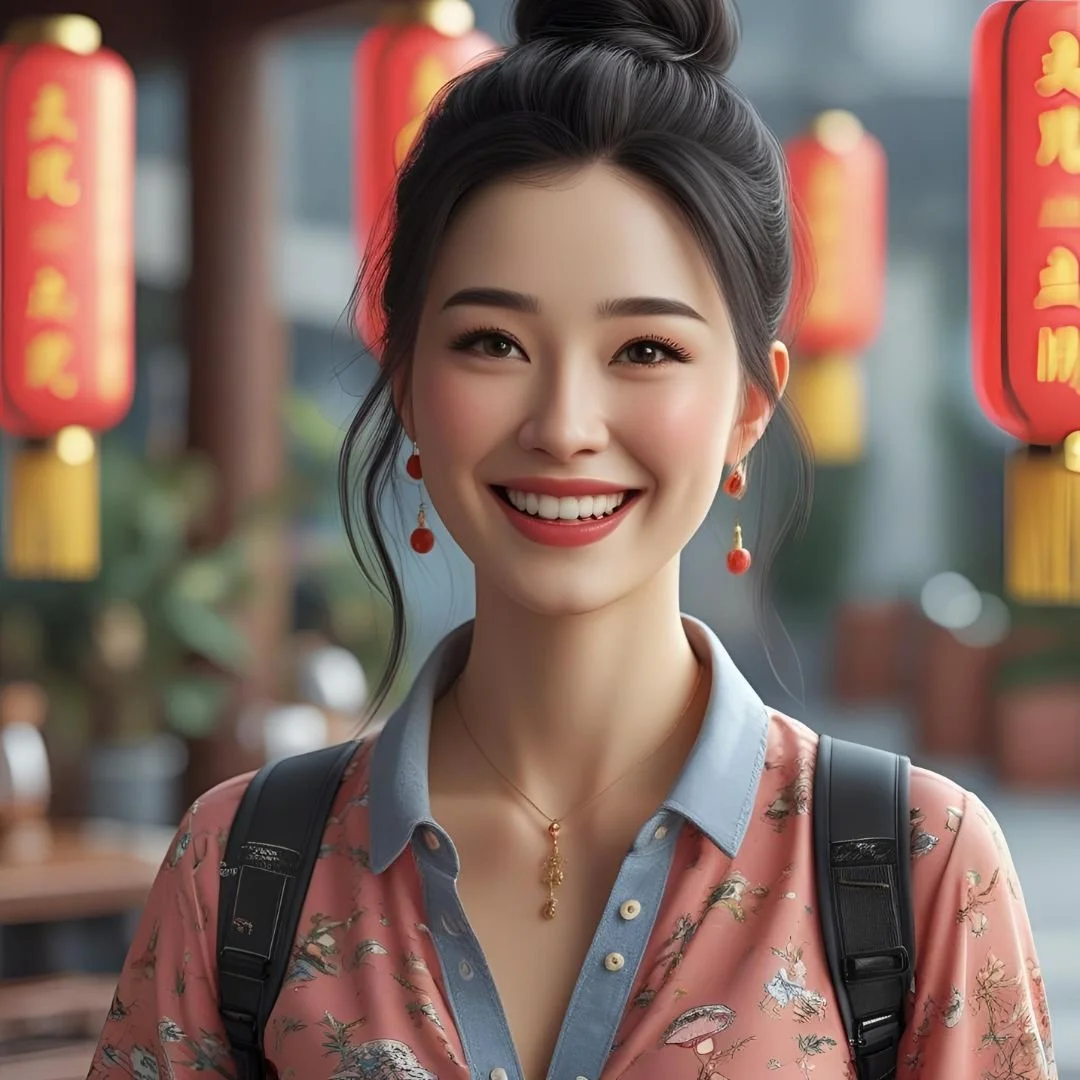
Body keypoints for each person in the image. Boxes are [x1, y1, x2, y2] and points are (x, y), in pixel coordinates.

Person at [88, 0, 1058, 1077]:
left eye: (643, 349)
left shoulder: (916, 870)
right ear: (405, 381)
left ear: (749, 405)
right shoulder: (242, 872)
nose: (562, 425)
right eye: (493, 342)